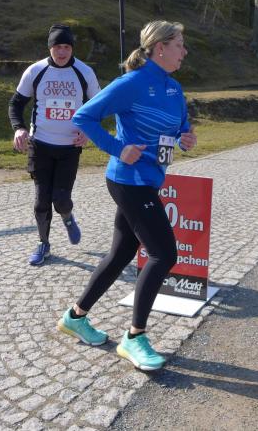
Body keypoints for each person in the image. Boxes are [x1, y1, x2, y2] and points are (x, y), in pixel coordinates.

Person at [57, 20, 197, 371]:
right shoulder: (132, 83)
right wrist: (118, 148)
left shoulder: (174, 88)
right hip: (128, 180)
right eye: (179, 45)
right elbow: (84, 117)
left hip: (149, 179)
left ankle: (76, 317)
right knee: (164, 254)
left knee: (121, 253)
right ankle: (135, 337)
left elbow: (180, 129)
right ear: (160, 48)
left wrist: (186, 138)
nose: (184, 51)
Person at [8, 24, 101, 266]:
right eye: (57, 47)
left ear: (72, 49)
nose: (62, 52)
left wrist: (87, 132)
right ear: (50, 47)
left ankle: (67, 217)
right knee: (41, 200)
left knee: (61, 200)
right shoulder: (36, 71)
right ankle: (43, 244)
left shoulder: (84, 72)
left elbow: (99, 107)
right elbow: (16, 104)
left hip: (69, 148)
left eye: (67, 47)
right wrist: (19, 128)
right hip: (40, 145)